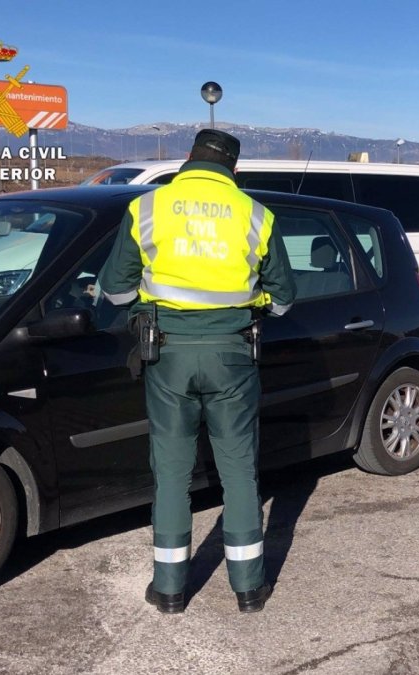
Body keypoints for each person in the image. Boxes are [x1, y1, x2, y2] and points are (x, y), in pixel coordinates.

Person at [98, 129, 296, 613]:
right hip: (233, 354)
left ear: (189, 159)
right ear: (234, 169)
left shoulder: (147, 208)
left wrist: (152, 302)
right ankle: (249, 588)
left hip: (167, 354)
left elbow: (115, 288)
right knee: (239, 472)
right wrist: (254, 304)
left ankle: (168, 590)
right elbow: (285, 299)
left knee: (170, 473)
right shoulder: (257, 215)